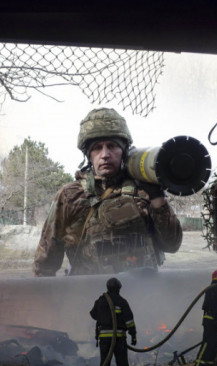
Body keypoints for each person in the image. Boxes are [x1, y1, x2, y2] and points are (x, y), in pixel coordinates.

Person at [33, 107, 183, 276]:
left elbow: (172, 245)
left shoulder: (143, 190)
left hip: (143, 294)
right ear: (89, 155)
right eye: (97, 148)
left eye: (112, 146)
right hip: (89, 297)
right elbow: (44, 265)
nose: (105, 154)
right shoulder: (70, 196)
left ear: (124, 151)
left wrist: (157, 198)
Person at [90, 277, 137, 366]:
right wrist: (133, 335)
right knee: (121, 362)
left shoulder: (100, 300)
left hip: (104, 339)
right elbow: (129, 320)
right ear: (118, 288)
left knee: (104, 363)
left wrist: (104, 318)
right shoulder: (122, 302)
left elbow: (93, 314)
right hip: (118, 338)